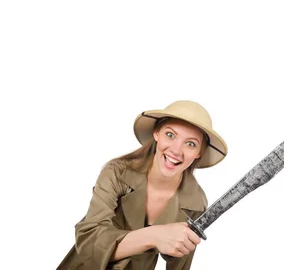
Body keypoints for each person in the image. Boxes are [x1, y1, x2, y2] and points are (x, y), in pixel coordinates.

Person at [57, 100, 228, 270]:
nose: (176, 150)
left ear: (198, 153)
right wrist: (154, 236)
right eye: (170, 135)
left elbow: (180, 266)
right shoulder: (117, 172)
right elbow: (88, 242)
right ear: (156, 134)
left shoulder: (195, 202)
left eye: (190, 144)